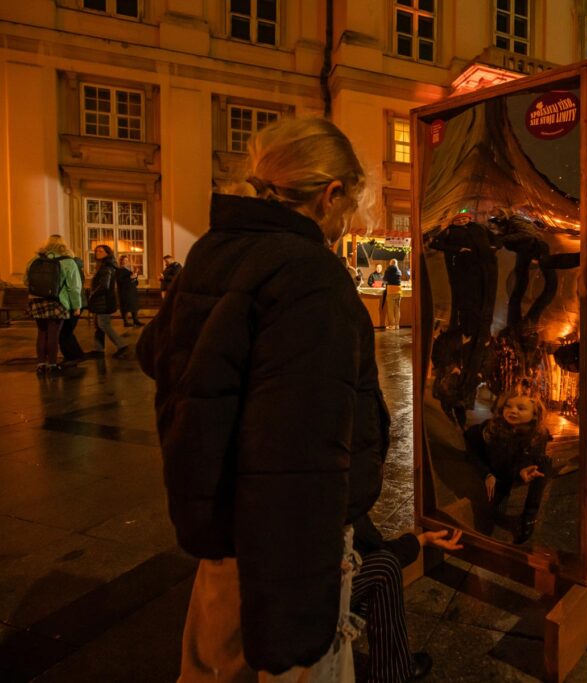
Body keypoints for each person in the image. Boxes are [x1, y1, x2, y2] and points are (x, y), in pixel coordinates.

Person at [138, 117, 405, 679]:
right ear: (331, 194)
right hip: (287, 549)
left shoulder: (215, 250)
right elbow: (297, 456)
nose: (345, 223)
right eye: (349, 205)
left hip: (220, 518)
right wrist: (295, 612)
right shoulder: (309, 274)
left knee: (213, 664)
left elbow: (154, 351)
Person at [350, 516, 460, 682]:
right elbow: (375, 547)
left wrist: (421, 540)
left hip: (305, 585)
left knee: (376, 567)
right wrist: (419, 541)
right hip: (312, 594)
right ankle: (391, 674)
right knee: (385, 569)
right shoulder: (334, 499)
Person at [464, 387, 551, 544]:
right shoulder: (491, 430)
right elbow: (475, 451)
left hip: (512, 471)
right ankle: (501, 497)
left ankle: (529, 516)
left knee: (544, 465)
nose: (513, 411)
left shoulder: (539, 434)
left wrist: (522, 471)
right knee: (492, 512)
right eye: (508, 406)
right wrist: (486, 474)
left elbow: (523, 460)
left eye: (521, 408)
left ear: (535, 414)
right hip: (495, 469)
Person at [24, 234, 82, 374]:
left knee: (41, 333)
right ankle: (53, 365)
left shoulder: (35, 260)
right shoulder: (68, 262)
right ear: (63, 245)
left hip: (37, 300)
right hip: (57, 301)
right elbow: (74, 287)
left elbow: (26, 280)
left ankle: (41, 364)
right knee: (53, 334)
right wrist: (76, 306)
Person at [89, 245, 130, 359]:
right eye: (96, 251)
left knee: (104, 324)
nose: (97, 252)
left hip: (104, 300)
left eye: (101, 251)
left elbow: (104, 285)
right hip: (101, 300)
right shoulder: (103, 266)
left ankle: (122, 345)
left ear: (107, 253)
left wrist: (93, 294)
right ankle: (98, 349)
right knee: (98, 324)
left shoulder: (106, 267)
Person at [116, 255, 141, 327]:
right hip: (125, 291)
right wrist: (130, 277)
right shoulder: (119, 270)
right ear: (121, 261)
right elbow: (120, 281)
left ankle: (135, 320)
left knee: (134, 305)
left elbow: (135, 282)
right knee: (126, 307)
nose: (127, 262)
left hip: (132, 290)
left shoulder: (129, 270)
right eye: (125, 260)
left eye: (127, 260)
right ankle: (126, 322)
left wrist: (135, 277)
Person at [383, 257, 403, 330]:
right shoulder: (399, 271)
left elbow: (385, 279)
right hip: (399, 290)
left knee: (390, 309)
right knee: (397, 308)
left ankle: (392, 325)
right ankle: (397, 325)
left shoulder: (388, 269)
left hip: (391, 290)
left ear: (391, 263)